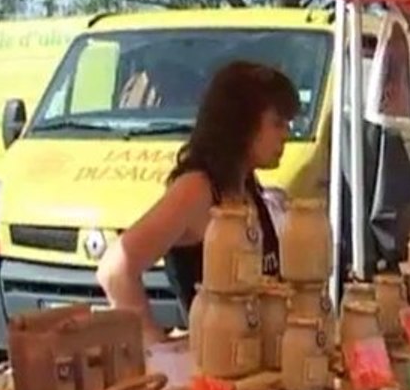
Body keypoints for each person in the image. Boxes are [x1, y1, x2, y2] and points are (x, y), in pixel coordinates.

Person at [97, 61, 297, 344]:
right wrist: (157, 347)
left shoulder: (247, 186)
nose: (286, 134)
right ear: (241, 124)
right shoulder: (195, 190)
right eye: (277, 123)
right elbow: (115, 271)